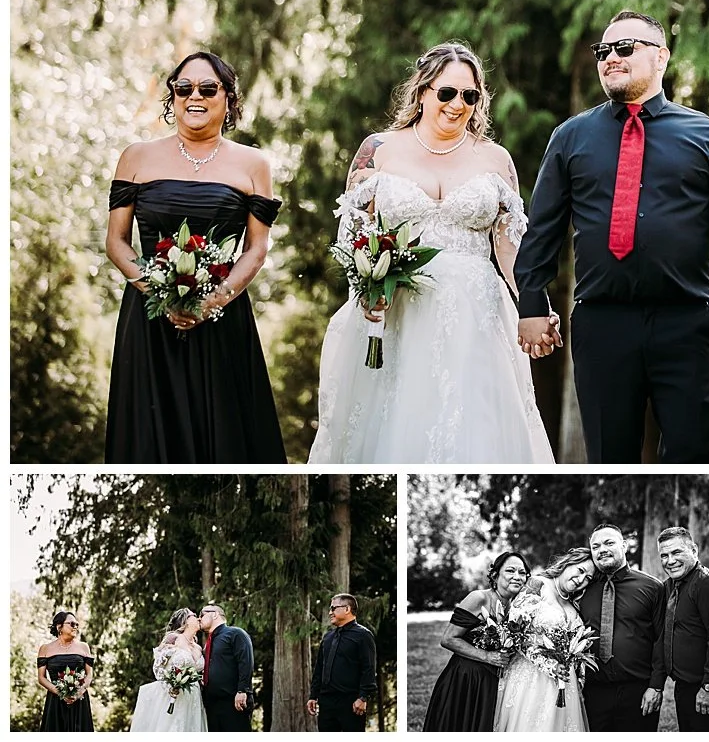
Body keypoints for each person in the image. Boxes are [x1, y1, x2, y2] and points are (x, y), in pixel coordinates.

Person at [514, 10, 709, 463]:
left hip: (688, 321)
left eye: (624, 48)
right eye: (603, 51)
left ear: (661, 57)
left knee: (693, 454)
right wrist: (532, 304)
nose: (610, 58)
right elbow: (543, 227)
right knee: (610, 458)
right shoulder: (570, 137)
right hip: (601, 323)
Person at [308, 41, 555, 464]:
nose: (458, 105)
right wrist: (367, 287)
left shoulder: (496, 159)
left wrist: (535, 307)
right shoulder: (379, 151)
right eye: (447, 93)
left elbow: (512, 250)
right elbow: (352, 237)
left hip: (476, 319)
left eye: (469, 96)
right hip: (397, 312)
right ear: (422, 91)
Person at [104, 51, 286, 463]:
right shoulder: (136, 157)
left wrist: (212, 301)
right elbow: (117, 242)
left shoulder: (254, 164)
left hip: (222, 316)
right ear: (172, 96)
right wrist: (161, 294)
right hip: (149, 316)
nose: (194, 97)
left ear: (228, 98)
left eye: (208, 88)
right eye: (183, 88)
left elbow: (256, 248)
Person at [423, 551, 529, 732]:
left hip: (493, 683)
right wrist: (487, 656)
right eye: (510, 571)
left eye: (522, 573)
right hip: (467, 678)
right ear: (495, 576)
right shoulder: (479, 598)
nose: (517, 577)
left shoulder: (520, 607)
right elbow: (448, 639)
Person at [576, 523, 666, 730]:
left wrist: (656, 686)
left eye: (609, 543)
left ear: (624, 546)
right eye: (596, 546)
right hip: (593, 689)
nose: (602, 550)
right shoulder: (581, 587)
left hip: (638, 689)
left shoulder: (652, 587)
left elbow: (661, 639)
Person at [494, 547, 595, 732]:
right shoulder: (537, 585)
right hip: (532, 679)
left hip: (566, 682)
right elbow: (515, 637)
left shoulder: (573, 601)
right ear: (569, 562)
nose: (581, 580)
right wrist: (550, 666)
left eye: (588, 578)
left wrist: (579, 683)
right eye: (580, 571)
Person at [658, 526, 709, 732]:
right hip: (684, 686)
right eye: (664, 555)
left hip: (708, 687)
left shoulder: (708, 584)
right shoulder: (670, 586)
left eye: (676, 552)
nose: (670, 560)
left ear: (694, 550)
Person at [307, 594, 378, 732]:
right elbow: (320, 668)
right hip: (326, 704)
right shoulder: (328, 637)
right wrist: (313, 696)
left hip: (351, 703)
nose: (330, 612)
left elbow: (368, 668)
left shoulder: (363, 635)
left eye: (333, 608)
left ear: (347, 609)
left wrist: (363, 697)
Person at [130, 608, 208, 732]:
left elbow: (199, 670)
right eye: (194, 615)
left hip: (193, 696)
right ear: (186, 621)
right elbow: (158, 666)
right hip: (173, 695)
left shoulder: (198, 647)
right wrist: (170, 686)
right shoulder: (174, 638)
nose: (198, 618)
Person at [199, 603, 254, 731]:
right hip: (211, 705)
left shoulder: (235, 633)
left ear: (215, 614)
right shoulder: (208, 644)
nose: (199, 618)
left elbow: (245, 662)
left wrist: (242, 690)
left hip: (233, 701)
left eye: (202, 614)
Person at [36, 610, 95, 732]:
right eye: (72, 624)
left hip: (79, 700)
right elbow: (41, 678)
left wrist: (79, 692)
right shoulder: (45, 649)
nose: (76, 627)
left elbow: (89, 675)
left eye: (77, 625)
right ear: (59, 627)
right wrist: (60, 692)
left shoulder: (84, 647)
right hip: (55, 701)